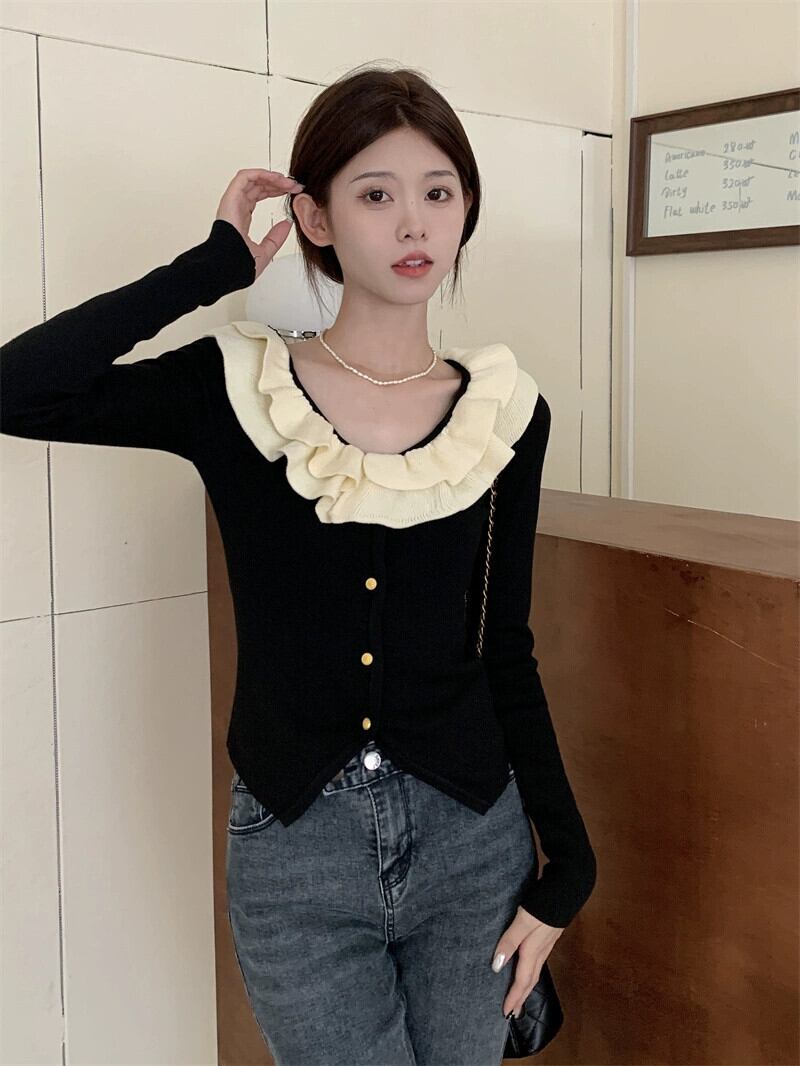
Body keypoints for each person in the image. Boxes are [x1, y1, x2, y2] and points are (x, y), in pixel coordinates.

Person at [1, 63, 596, 1066]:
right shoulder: (235, 388)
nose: (413, 223)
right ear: (315, 218)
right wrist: (208, 268)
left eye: (438, 192)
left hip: (472, 844)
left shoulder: (505, 414)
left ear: (465, 211)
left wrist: (567, 865)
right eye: (376, 194)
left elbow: (504, 644)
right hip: (297, 851)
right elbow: (19, 389)